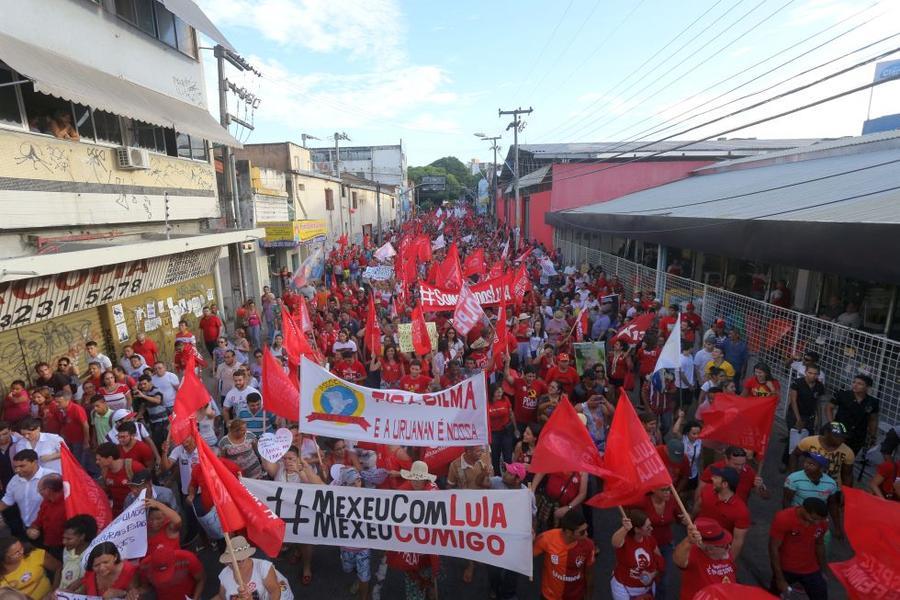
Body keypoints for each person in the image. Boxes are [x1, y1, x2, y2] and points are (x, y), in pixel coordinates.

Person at [769, 498, 829, 599]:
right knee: (771, 597)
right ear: (803, 509)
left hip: (811, 569)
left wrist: (822, 570)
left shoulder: (821, 523)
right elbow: (773, 548)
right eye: (813, 519)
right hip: (786, 568)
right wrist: (779, 578)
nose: (816, 523)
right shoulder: (784, 518)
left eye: (819, 520)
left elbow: (819, 544)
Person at [533, 509, 595, 600]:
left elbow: (589, 573)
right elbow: (527, 556)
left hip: (576, 597)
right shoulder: (546, 539)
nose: (586, 534)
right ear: (568, 532)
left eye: (586, 530)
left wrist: (589, 596)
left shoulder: (588, 545)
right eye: (582, 532)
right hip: (550, 597)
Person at [692, 466, 750, 560]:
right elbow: (698, 505)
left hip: (717, 550)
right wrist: (691, 517)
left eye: (716, 478)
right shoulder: (707, 489)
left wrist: (729, 562)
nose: (712, 478)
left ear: (724, 484)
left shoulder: (741, 510)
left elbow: (737, 541)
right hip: (698, 541)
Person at [674, 517, 736, 600]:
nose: (729, 547)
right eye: (724, 546)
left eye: (728, 544)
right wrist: (689, 541)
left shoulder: (725, 554)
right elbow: (678, 560)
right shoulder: (693, 553)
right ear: (710, 549)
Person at [213, 535, 290, 600]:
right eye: (230, 562)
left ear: (247, 556)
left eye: (239, 561)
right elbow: (221, 596)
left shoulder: (263, 567)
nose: (234, 565)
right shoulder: (224, 574)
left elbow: (275, 591)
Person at [610, 508, 664, 600]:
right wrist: (624, 528)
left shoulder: (650, 540)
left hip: (647, 589)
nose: (651, 529)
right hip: (624, 590)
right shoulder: (625, 541)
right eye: (648, 527)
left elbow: (660, 562)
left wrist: (652, 575)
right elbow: (615, 542)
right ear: (637, 530)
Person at [826, 373, 879, 454]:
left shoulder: (872, 402)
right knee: (832, 455)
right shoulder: (843, 395)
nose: (855, 385)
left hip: (858, 436)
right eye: (854, 382)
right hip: (839, 432)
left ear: (867, 387)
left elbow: (873, 419)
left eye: (859, 384)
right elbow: (829, 408)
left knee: (849, 458)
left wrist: (872, 436)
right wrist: (832, 423)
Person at [791, 422, 855, 487]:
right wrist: (793, 476)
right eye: (837, 436)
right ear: (826, 433)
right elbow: (794, 455)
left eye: (843, 437)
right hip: (807, 482)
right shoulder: (808, 441)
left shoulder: (848, 452)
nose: (841, 440)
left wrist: (847, 492)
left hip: (832, 487)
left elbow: (847, 474)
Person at [696, 446, 766, 504]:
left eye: (743, 464)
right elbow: (699, 493)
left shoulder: (750, 472)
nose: (740, 468)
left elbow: (765, 496)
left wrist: (761, 486)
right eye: (736, 464)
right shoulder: (712, 469)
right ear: (726, 459)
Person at [0, 450, 51, 528]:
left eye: (22, 466)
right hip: (27, 527)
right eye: (15, 467)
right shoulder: (14, 480)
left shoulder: (51, 477)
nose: (17, 470)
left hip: (49, 527)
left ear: (34, 462)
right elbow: (7, 500)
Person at [136, 546, 206, 600]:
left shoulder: (188, 558)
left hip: (190, 596)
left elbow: (201, 579)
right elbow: (145, 588)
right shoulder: (144, 566)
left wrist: (195, 598)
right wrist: (135, 594)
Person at [96, 442, 145, 515]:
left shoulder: (134, 467)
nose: (97, 462)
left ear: (109, 458)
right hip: (117, 513)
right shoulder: (105, 470)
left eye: (99, 459)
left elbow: (147, 487)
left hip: (135, 510)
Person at [24, 474, 66, 559]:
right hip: (48, 544)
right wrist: (32, 529)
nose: (38, 492)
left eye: (40, 490)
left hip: (65, 547)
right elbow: (38, 520)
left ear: (48, 490)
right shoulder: (46, 501)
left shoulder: (68, 504)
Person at [57, 514, 97, 592]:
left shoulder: (94, 554)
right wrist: (54, 590)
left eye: (69, 539)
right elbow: (60, 569)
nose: (64, 542)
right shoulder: (67, 550)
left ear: (82, 536)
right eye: (64, 538)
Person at [488, 384, 518, 474]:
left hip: (506, 432)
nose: (500, 394)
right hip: (494, 433)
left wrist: (515, 428)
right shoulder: (487, 403)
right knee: (495, 457)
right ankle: (497, 476)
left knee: (508, 456)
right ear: (492, 392)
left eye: (501, 391)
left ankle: (509, 475)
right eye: (497, 392)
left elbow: (511, 414)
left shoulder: (505, 399)